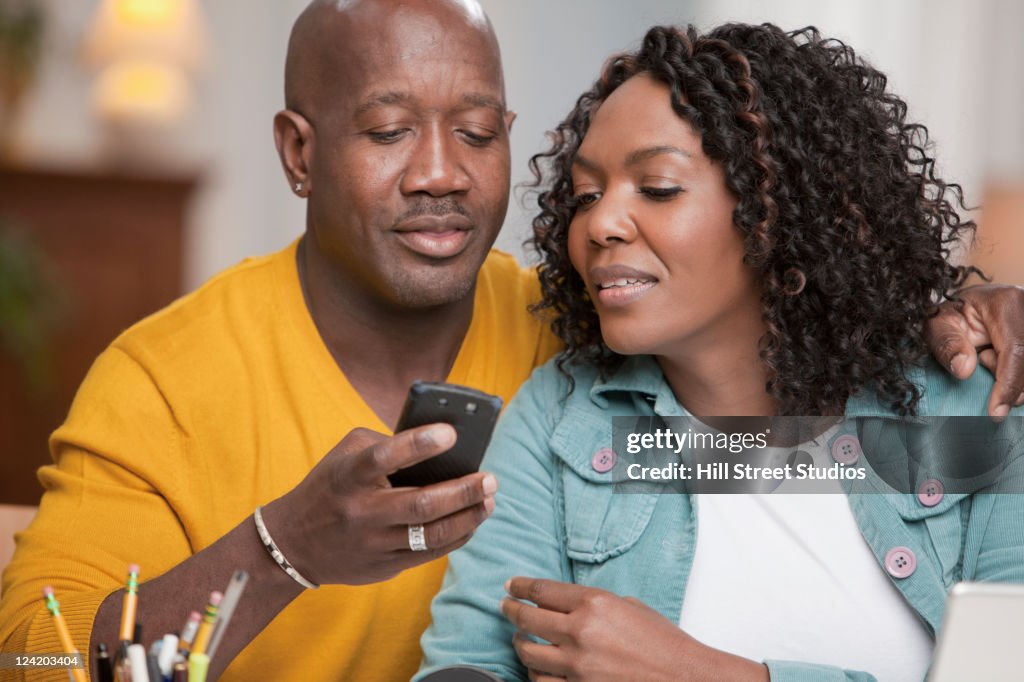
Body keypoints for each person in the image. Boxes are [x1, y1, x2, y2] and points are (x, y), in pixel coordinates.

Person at [0, 3, 1020, 680]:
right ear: (298, 153)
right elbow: (35, 660)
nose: (440, 171)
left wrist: (950, 316)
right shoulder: (165, 375)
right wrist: (281, 552)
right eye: (388, 129)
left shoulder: (591, 328)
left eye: (479, 132)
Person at [417, 23, 1024, 682]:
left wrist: (700, 674)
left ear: (776, 210)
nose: (600, 224)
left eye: (658, 187)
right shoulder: (562, 421)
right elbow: (469, 662)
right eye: (586, 195)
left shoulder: (972, 413)